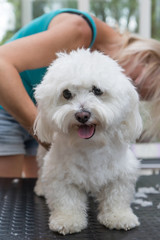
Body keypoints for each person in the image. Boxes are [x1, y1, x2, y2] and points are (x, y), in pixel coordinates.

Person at [0, 8, 160, 178]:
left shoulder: (96, 58)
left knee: (37, 195)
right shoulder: (79, 30)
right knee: (8, 192)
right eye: (136, 82)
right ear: (145, 56)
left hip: (43, 113)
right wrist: (42, 133)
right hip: (9, 105)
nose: (129, 88)